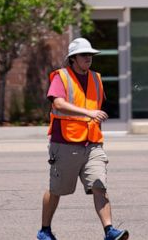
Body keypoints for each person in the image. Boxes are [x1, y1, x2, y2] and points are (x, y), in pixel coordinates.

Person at [37, 38, 129, 240]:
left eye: (91, 55)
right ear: (73, 59)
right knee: (56, 190)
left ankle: (109, 231)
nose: (89, 58)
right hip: (65, 143)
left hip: (92, 143)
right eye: (84, 55)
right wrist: (88, 113)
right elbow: (59, 104)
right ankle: (45, 230)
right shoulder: (61, 77)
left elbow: (96, 106)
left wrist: (94, 118)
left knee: (99, 185)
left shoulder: (96, 78)